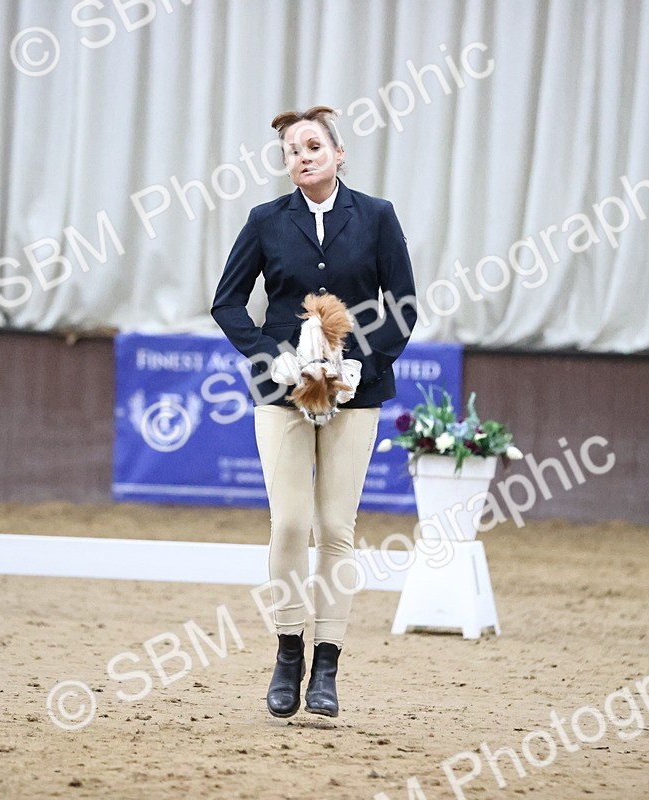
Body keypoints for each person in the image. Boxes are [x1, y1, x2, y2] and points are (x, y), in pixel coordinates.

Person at [212, 107, 417, 717]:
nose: (300, 156)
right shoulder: (265, 221)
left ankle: (327, 663)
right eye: (289, 150)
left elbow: (402, 304)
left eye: (311, 145)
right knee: (291, 523)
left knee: (336, 528)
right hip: (283, 392)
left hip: (356, 391)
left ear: (337, 152)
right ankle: (288, 649)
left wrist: (366, 367)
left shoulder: (377, 217)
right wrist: (269, 359)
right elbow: (227, 304)